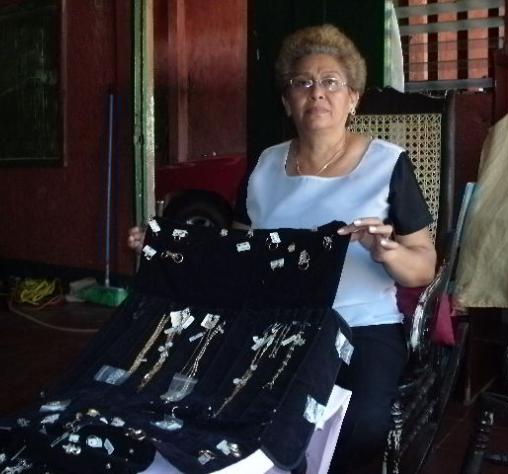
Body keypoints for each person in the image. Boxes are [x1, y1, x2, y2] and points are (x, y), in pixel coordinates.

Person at [128, 24, 436, 474]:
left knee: (362, 425)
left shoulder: (387, 163)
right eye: (302, 83)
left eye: (331, 82)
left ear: (353, 99)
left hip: (362, 325)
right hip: (276, 324)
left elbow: (424, 267)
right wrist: (168, 244)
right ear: (287, 101)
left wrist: (387, 252)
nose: (317, 92)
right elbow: (235, 254)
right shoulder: (265, 166)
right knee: (224, 408)